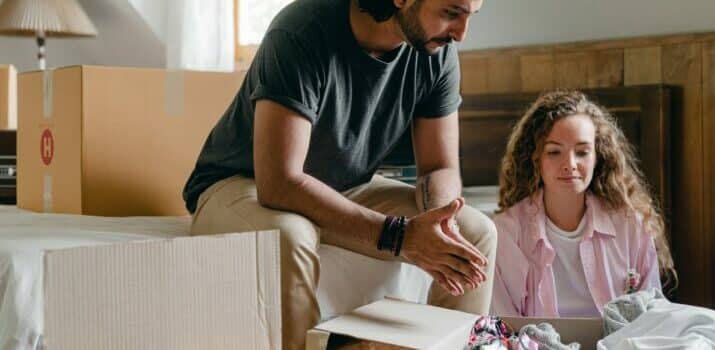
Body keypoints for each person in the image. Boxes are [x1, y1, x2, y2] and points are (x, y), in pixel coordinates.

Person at [182, 0, 496, 348]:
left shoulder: (436, 53)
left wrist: (440, 223)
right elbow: (279, 182)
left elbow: (439, 167)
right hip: (241, 183)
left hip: (346, 185)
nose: (462, 34)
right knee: (291, 234)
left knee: (476, 231)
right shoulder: (301, 31)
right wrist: (398, 235)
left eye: (471, 16)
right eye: (451, 13)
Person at [491, 90, 676, 317]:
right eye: (554, 152)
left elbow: (651, 311)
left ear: (598, 156)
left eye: (581, 152)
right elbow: (501, 326)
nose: (570, 164)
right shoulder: (505, 233)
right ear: (535, 158)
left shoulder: (630, 223)